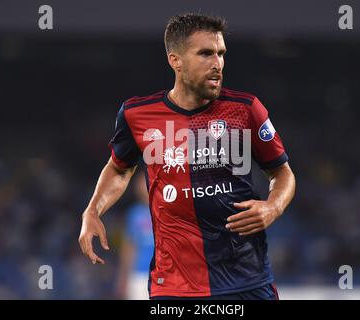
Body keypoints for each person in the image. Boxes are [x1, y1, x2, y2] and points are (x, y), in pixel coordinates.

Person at [79, 13, 296, 300]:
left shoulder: (245, 109)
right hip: (174, 288)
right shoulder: (137, 114)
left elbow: (282, 173)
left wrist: (273, 207)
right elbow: (119, 169)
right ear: (175, 61)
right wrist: (92, 210)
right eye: (205, 53)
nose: (217, 63)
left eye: (220, 53)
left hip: (246, 280)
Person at [116, 171, 154, 300]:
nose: (141, 187)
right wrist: (123, 277)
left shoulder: (166, 211)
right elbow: (129, 247)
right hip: (139, 276)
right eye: (139, 184)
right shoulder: (134, 214)